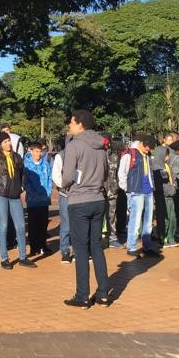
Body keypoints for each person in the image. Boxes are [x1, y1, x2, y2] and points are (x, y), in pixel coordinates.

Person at [60, 110, 110, 308]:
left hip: (79, 201)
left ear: (80, 124)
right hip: (98, 199)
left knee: (80, 249)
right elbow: (105, 173)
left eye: (71, 122)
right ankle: (104, 293)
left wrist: (64, 185)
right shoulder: (101, 146)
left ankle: (82, 295)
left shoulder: (74, 145)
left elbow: (67, 176)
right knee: (96, 246)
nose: (69, 126)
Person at [0, 132, 35, 269]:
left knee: (21, 226)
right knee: (3, 226)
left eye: (9, 141)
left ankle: (23, 257)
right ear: (0, 144)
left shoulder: (16, 157)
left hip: (15, 196)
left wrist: (21, 185)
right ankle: (4, 258)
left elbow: (23, 173)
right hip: (0, 196)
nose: (8, 144)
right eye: (5, 142)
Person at [118, 134, 157, 257]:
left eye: (150, 148)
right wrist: (127, 189)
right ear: (141, 143)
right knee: (135, 220)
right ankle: (132, 246)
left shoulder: (147, 155)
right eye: (146, 147)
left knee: (148, 220)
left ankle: (147, 245)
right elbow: (122, 173)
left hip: (148, 191)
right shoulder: (130, 153)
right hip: (135, 191)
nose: (148, 150)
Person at [23, 140, 53, 256]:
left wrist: (48, 192)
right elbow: (25, 182)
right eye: (36, 151)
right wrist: (33, 194)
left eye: (40, 151)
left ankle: (43, 244)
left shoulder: (45, 163)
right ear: (31, 151)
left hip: (44, 199)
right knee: (33, 224)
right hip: (32, 200)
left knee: (43, 223)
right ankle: (33, 246)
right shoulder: (26, 164)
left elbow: (49, 178)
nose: (38, 154)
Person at [160, 138, 179, 249]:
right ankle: (175, 232)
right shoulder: (177, 159)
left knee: (174, 212)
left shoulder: (169, 156)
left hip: (172, 190)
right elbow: (177, 175)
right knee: (177, 212)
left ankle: (173, 232)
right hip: (176, 189)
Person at [52, 138, 73, 263]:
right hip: (65, 194)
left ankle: (78, 250)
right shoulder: (61, 156)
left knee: (78, 224)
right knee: (66, 224)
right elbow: (56, 175)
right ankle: (65, 250)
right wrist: (65, 186)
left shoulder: (82, 154)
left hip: (78, 195)